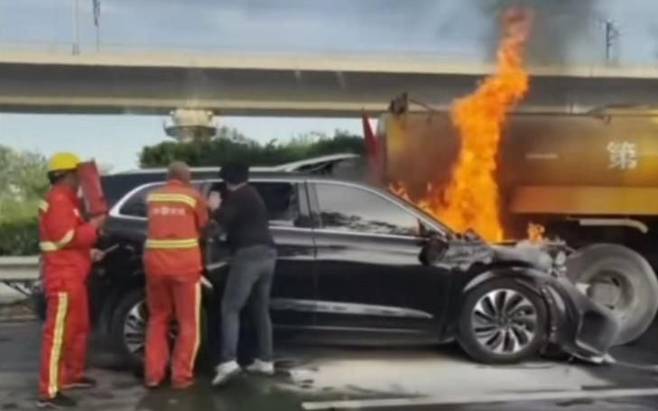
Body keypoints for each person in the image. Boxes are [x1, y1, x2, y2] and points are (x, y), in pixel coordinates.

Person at [37, 152, 106, 409]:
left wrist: (88, 252)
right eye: (77, 174)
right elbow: (65, 237)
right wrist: (94, 227)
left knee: (77, 329)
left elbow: (64, 241)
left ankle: (71, 376)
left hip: (73, 275)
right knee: (57, 336)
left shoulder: (67, 200)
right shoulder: (58, 200)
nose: (80, 179)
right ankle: (49, 392)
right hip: (63, 278)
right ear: (66, 175)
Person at [210, 163, 277, 386]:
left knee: (230, 308)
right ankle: (265, 361)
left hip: (249, 256)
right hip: (269, 254)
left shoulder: (237, 197)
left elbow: (219, 225)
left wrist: (213, 207)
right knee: (260, 308)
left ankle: (228, 362)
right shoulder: (253, 194)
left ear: (227, 181)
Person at [143, 161, 209, 390]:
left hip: (155, 267)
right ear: (186, 177)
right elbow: (204, 225)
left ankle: (153, 375)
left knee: (157, 319)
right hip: (184, 268)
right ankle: (180, 376)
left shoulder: (153, 197)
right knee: (188, 323)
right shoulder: (193, 197)